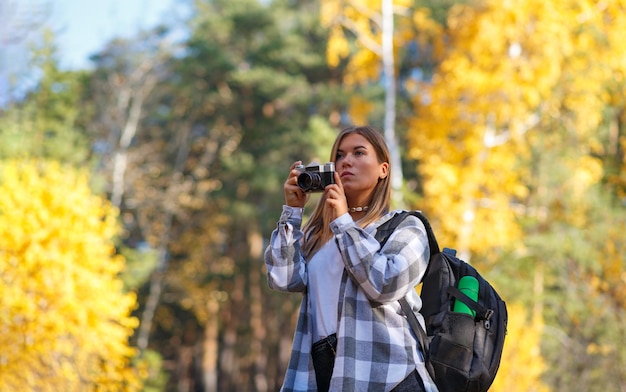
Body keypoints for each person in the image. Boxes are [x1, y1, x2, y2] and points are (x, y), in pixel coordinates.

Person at [264, 125, 437, 392]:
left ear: (383, 169)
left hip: (391, 378)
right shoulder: (320, 233)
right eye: (340, 156)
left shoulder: (406, 227)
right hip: (326, 374)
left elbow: (385, 284)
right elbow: (283, 279)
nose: (346, 161)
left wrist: (344, 222)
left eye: (359, 153)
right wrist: (292, 212)